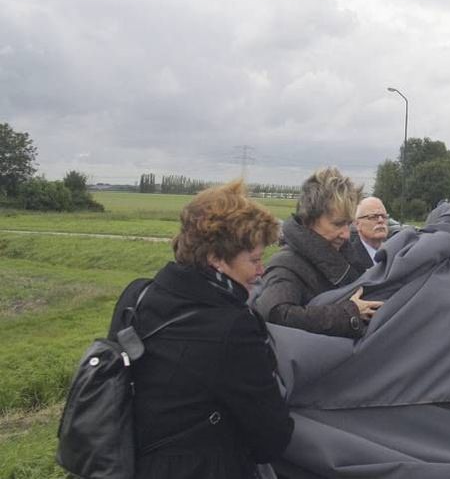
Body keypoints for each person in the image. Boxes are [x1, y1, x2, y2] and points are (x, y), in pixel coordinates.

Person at [107, 181, 293, 477]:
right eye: (255, 260)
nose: (261, 271)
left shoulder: (137, 296)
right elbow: (271, 437)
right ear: (216, 259)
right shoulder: (234, 327)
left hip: (130, 464)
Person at [253, 167, 383, 337]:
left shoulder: (346, 256)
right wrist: (347, 314)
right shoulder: (285, 266)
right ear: (309, 219)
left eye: (348, 223)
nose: (345, 234)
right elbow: (275, 314)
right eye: (337, 224)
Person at [346, 196, 389, 272]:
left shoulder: (395, 252)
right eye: (373, 217)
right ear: (357, 224)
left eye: (384, 216)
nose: (381, 220)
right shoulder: (349, 258)